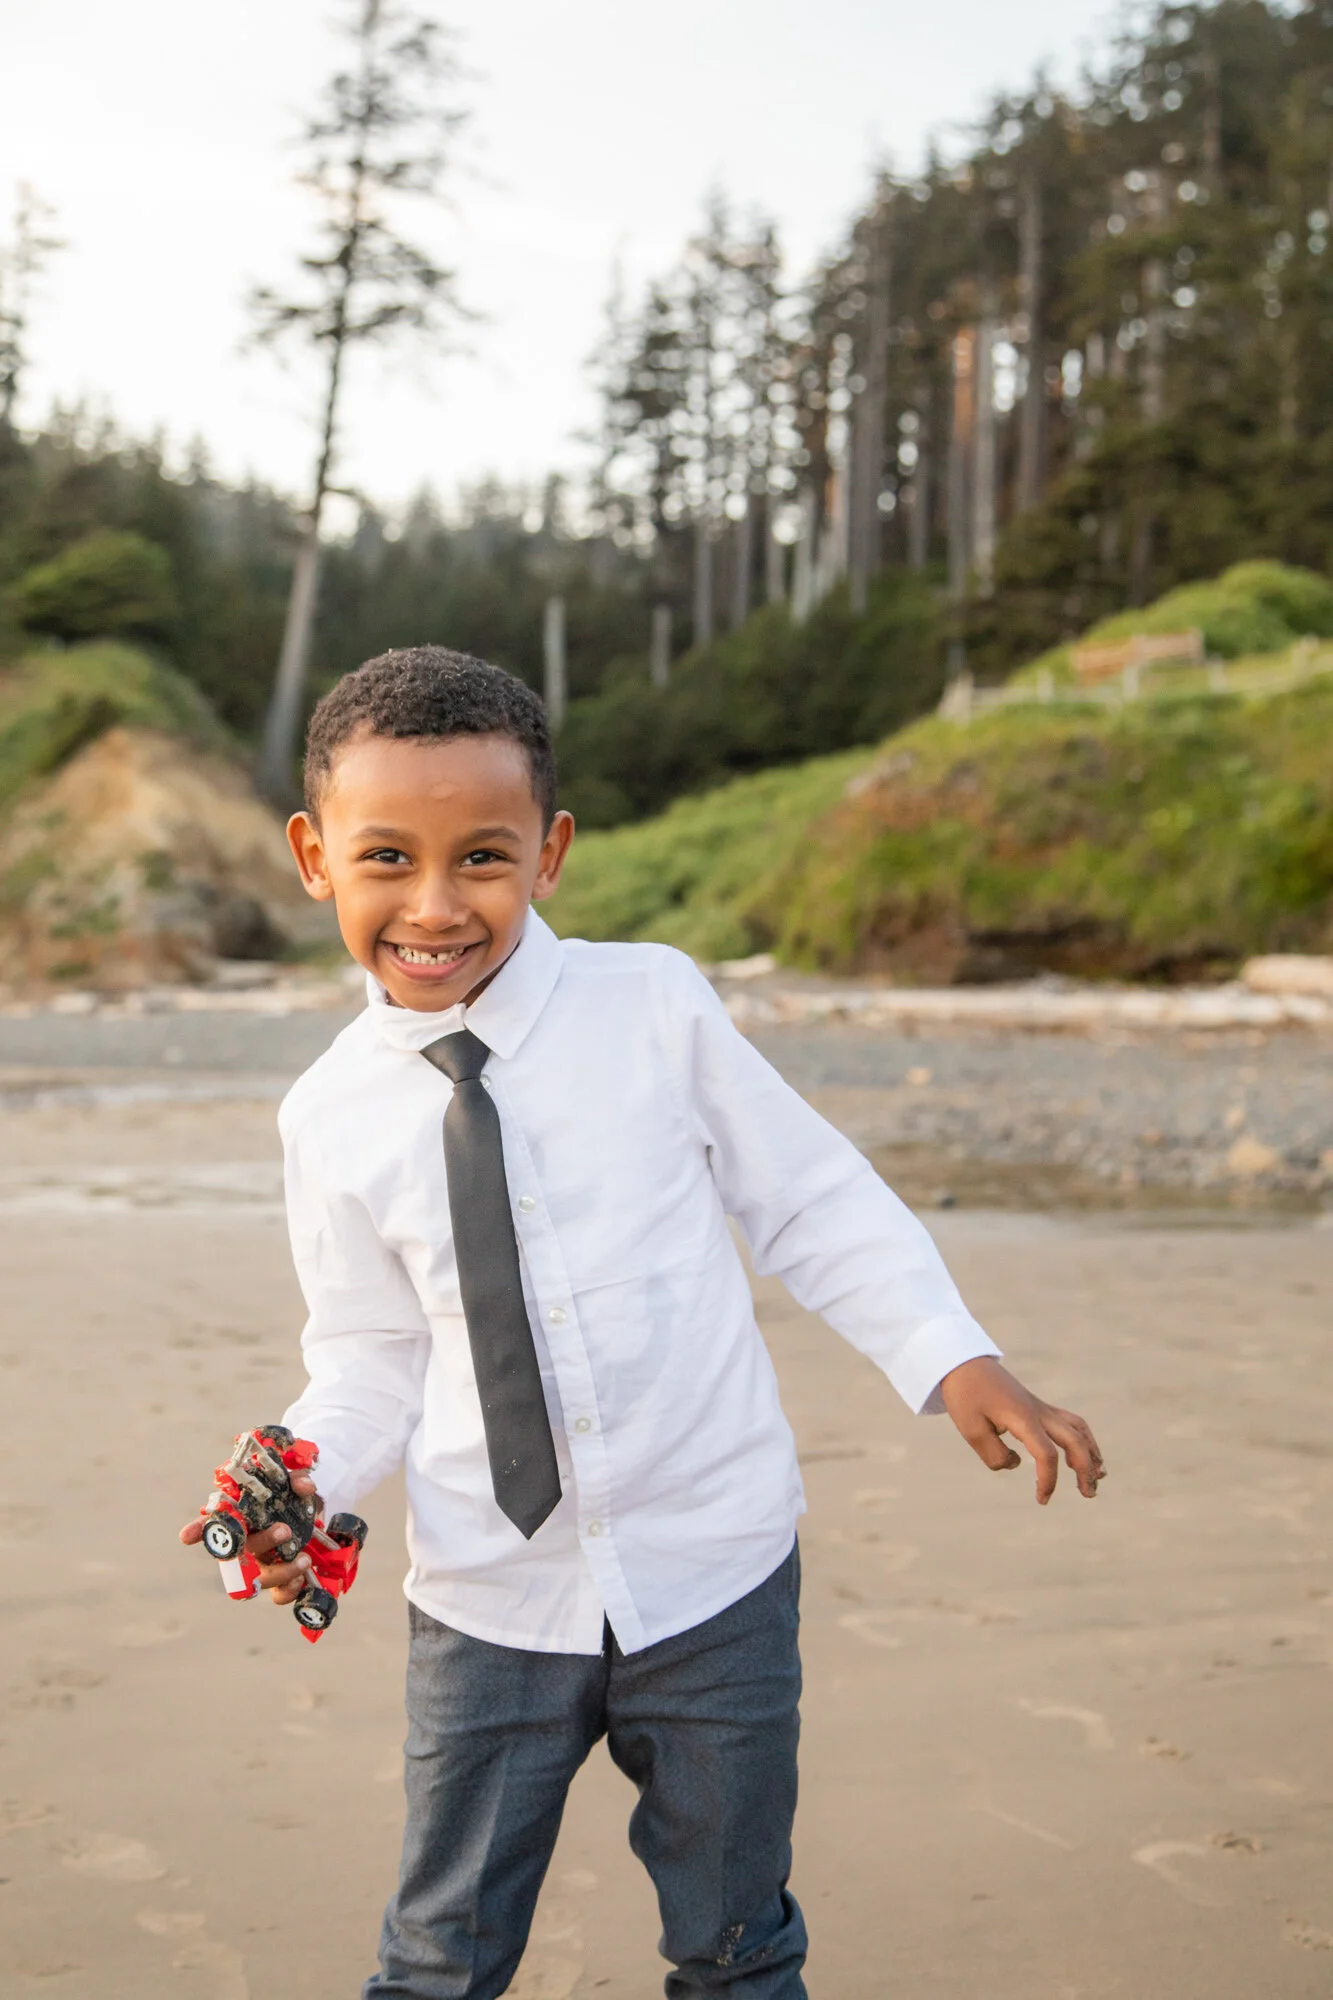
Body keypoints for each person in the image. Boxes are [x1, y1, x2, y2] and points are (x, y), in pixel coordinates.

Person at [181, 645, 1104, 1999]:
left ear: (549, 853)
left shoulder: (654, 1006)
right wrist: (303, 1480)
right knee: (438, 1957)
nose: (433, 905)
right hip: (490, 1600)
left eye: (482, 858)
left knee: (737, 1944)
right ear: (316, 858)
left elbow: (810, 1196)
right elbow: (372, 1355)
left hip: (714, 1575)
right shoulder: (326, 1116)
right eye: (386, 859)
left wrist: (950, 1352)